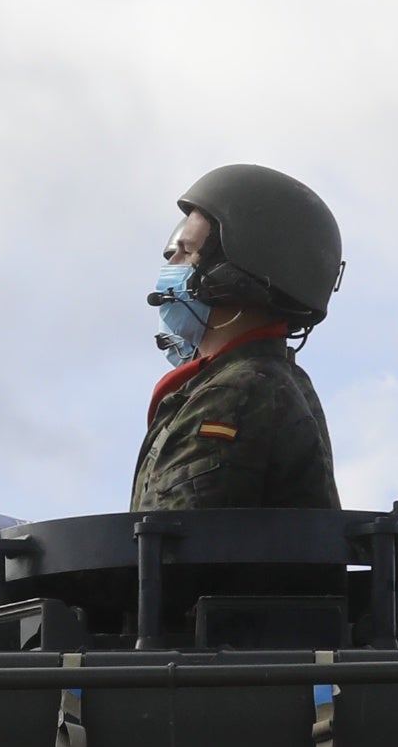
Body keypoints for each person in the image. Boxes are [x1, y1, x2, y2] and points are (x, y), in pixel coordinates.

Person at [132, 164, 343, 511]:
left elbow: (169, 549)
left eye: (187, 250)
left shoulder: (234, 395)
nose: (172, 262)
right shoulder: (266, 381)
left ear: (232, 273)